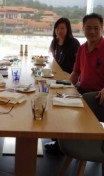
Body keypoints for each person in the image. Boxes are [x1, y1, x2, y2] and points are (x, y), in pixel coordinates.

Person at [45, 18, 80, 154]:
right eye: (57, 28)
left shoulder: (73, 43)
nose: (60, 31)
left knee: (59, 106)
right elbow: (52, 59)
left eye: (63, 28)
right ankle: (57, 138)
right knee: (50, 100)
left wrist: (71, 80)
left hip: (68, 77)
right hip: (57, 77)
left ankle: (61, 141)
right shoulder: (54, 42)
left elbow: (79, 64)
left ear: (68, 29)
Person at [70, 12, 104, 122]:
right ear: (83, 28)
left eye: (96, 28)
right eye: (88, 28)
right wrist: (66, 88)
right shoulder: (81, 48)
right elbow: (75, 73)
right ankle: (59, 138)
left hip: (99, 96)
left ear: (102, 28)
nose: (92, 32)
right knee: (57, 103)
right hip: (82, 91)